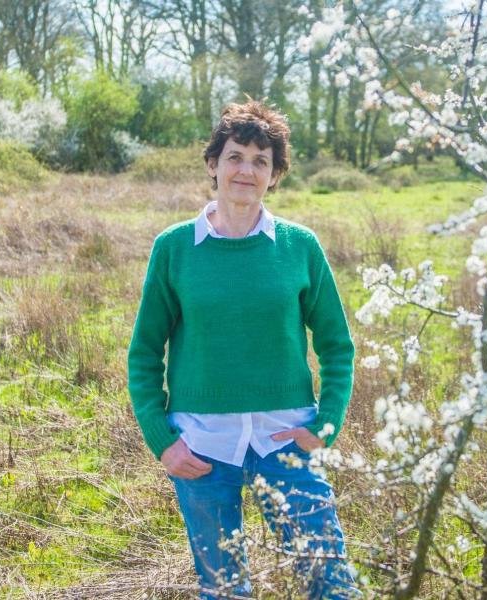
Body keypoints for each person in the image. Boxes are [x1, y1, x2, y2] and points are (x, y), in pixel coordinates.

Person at [127, 99, 359, 599]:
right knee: (225, 590)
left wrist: (327, 424)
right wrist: (162, 440)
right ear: (214, 164)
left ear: (275, 175)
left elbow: (338, 346)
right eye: (236, 157)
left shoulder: (299, 246)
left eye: (261, 161)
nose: (246, 170)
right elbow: (145, 353)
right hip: (202, 449)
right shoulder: (174, 248)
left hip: (287, 444)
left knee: (330, 583)